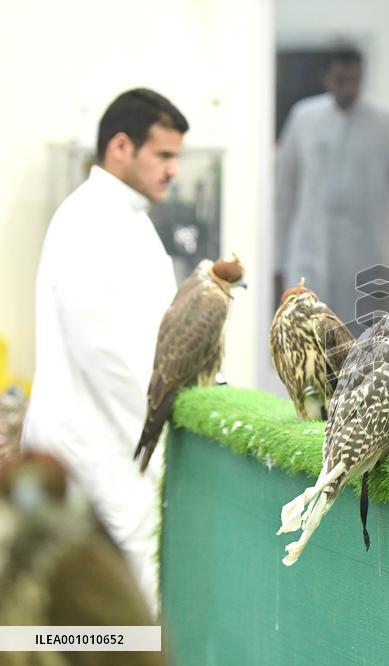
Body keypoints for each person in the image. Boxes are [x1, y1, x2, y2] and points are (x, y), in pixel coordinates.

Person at [23, 88, 188, 611]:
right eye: (163, 155)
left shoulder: (129, 220)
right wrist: (153, 441)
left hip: (116, 453)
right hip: (96, 453)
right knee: (92, 624)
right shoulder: (88, 220)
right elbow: (102, 352)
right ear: (121, 146)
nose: (173, 171)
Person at [274, 45, 389, 334]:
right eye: (341, 80)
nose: (348, 88)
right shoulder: (304, 118)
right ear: (326, 78)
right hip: (312, 253)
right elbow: (283, 194)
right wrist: (278, 258)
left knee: (368, 344)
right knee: (310, 339)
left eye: (354, 80)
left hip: (369, 254)